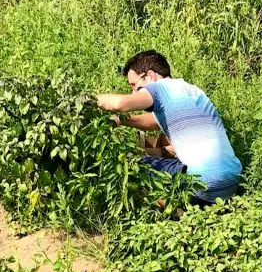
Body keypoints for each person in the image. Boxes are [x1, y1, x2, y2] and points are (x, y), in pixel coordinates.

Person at [96, 50, 242, 205]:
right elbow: (152, 121)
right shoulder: (191, 90)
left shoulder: (158, 89)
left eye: (134, 85)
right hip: (231, 184)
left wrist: (85, 99)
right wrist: (121, 120)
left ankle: (173, 213)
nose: (134, 91)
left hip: (203, 186)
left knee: (132, 166)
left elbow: (119, 104)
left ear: (150, 75)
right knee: (162, 149)